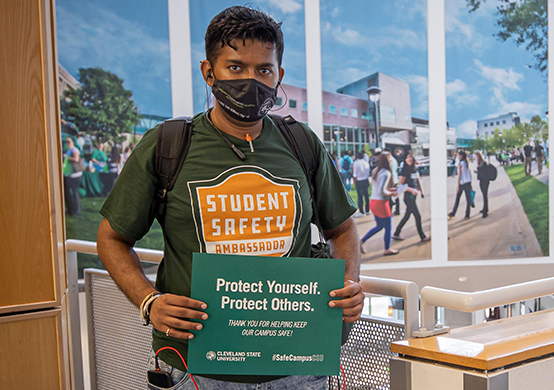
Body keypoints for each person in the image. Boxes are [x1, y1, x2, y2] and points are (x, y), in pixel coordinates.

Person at [95, 7, 363, 389]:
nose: (250, 81)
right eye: (235, 68)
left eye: (263, 70)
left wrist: (349, 285)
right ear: (209, 72)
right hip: (195, 368)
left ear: (278, 76)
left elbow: (343, 229)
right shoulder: (168, 145)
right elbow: (112, 238)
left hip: (298, 366)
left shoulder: (301, 143)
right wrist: (149, 302)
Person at [361, 152, 399, 256]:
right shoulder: (386, 173)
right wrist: (392, 193)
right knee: (388, 227)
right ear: (388, 161)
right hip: (381, 203)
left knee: (379, 226)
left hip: (373, 201)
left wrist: (391, 189)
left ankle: (361, 241)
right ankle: (387, 249)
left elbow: (378, 188)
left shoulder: (376, 171)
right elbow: (382, 191)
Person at [392, 154, 428, 241]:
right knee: (417, 216)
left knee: (407, 216)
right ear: (405, 159)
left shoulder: (415, 169)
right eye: (407, 157)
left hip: (414, 196)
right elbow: (401, 186)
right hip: (408, 198)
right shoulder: (404, 171)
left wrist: (421, 191)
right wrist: (411, 190)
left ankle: (396, 233)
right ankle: (423, 236)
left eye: (411, 157)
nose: (409, 159)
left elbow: (418, 180)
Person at [448, 150, 474, 219]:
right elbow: (469, 174)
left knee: (457, 199)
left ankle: (453, 213)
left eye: (458, 155)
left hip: (462, 183)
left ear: (461, 156)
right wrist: (470, 183)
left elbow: (459, 176)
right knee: (468, 199)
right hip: (468, 183)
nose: (457, 156)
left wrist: (458, 186)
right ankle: (467, 214)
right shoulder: (467, 163)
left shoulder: (460, 164)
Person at [62, 137, 84, 215]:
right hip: (70, 175)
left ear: (73, 142)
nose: (67, 143)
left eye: (69, 142)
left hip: (74, 176)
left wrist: (66, 157)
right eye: (66, 142)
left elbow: (76, 159)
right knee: (70, 193)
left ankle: (75, 211)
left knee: (74, 193)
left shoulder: (74, 149)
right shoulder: (69, 150)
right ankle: (71, 209)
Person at [473, 152, 493, 218]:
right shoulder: (481, 162)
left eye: (475, 156)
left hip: (484, 181)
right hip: (482, 180)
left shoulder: (482, 163)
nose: (474, 157)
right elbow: (481, 172)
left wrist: (478, 170)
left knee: (485, 195)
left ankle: (485, 211)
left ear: (478, 156)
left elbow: (483, 172)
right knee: (484, 195)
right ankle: (485, 208)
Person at [352, 151, 371, 216]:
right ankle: (367, 210)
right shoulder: (366, 163)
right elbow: (368, 172)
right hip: (365, 180)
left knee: (360, 197)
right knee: (366, 196)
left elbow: (355, 175)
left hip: (359, 180)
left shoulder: (356, 163)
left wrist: (355, 182)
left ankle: (361, 211)